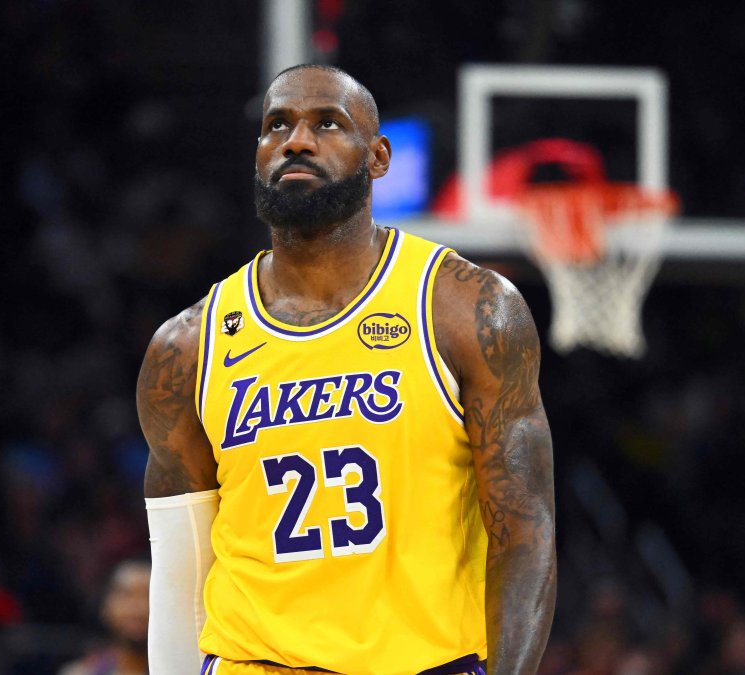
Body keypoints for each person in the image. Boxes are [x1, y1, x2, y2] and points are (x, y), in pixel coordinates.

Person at [136, 64, 556, 675]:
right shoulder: (186, 347)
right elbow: (182, 570)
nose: (296, 141)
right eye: (277, 125)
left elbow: (524, 532)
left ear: (378, 157)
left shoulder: (465, 308)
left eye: (327, 124)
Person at [61, 561, 152, 675]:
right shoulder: (81, 672)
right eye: (127, 595)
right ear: (105, 606)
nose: (139, 609)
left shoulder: (172, 669)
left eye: (148, 596)